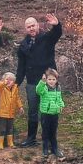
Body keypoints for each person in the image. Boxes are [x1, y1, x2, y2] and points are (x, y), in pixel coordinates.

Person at [15, 13, 62, 147]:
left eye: (33, 25)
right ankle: (31, 139)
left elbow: (56, 34)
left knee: (48, 110)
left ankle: (48, 138)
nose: (31, 28)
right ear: (26, 29)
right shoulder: (23, 45)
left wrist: (57, 25)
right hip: (31, 83)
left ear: (38, 25)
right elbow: (21, 68)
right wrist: (16, 83)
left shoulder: (47, 38)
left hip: (48, 81)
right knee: (33, 111)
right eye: (28, 27)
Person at [36, 68, 65, 158]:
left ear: (56, 80)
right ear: (46, 79)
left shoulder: (58, 88)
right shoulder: (44, 87)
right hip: (45, 114)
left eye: (53, 79)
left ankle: (55, 149)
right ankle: (45, 149)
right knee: (45, 132)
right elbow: (38, 91)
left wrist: (61, 106)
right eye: (49, 79)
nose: (51, 81)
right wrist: (42, 81)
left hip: (55, 114)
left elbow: (59, 98)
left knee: (53, 132)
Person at [0, 71, 22, 150]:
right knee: (2, 129)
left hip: (11, 112)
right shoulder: (1, 88)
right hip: (2, 113)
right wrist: (4, 82)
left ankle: (10, 143)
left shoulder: (15, 88)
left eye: (11, 80)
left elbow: (17, 99)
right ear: (4, 80)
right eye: (7, 79)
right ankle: (0, 144)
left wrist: (20, 107)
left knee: (10, 128)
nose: (9, 81)